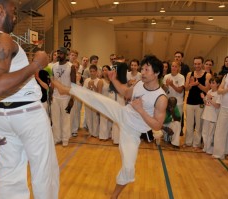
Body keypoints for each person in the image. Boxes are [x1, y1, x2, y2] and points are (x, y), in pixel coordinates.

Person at [0, 0, 59, 198]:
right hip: (28, 115)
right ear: (0, 9)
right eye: (13, 10)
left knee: (9, 174)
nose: (15, 15)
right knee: (44, 173)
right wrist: (36, 64)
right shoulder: (2, 39)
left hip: (3, 115)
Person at [52, 55, 167, 198]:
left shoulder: (161, 98)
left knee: (128, 167)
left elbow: (157, 125)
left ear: (156, 73)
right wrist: (113, 79)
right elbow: (125, 92)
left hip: (133, 131)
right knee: (98, 99)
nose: (142, 72)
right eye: (142, 69)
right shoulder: (139, 84)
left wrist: (141, 111)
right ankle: (66, 89)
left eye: (146, 69)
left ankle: (115, 195)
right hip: (123, 114)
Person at [184, 56, 211, 149]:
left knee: (199, 125)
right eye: (195, 64)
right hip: (190, 102)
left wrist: (198, 84)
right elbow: (186, 88)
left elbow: (207, 90)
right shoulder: (189, 74)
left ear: (202, 64)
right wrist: (191, 84)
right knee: (189, 124)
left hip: (200, 103)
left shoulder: (207, 75)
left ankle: (196, 144)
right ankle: (188, 142)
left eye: (199, 63)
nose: (197, 65)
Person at [51, 46, 76, 146]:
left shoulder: (71, 66)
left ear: (65, 55)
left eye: (60, 53)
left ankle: (65, 139)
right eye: (57, 53)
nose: (58, 55)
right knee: (55, 118)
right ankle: (57, 138)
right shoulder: (54, 66)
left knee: (66, 119)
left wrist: (72, 99)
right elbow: (52, 81)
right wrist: (50, 94)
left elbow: (74, 84)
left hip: (66, 97)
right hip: (55, 96)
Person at [200, 76, 221, 154]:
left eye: (213, 83)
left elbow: (217, 106)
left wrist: (209, 99)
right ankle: (205, 147)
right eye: (211, 83)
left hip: (213, 116)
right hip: (206, 115)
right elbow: (206, 103)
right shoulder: (209, 92)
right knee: (204, 132)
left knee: (210, 133)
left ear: (218, 84)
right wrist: (203, 98)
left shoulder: (219, 93)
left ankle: (209, 149)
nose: (211, 84)